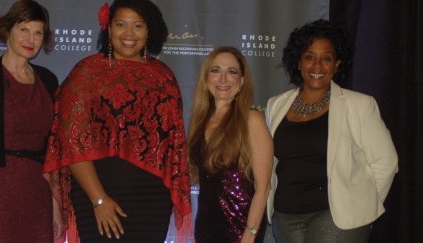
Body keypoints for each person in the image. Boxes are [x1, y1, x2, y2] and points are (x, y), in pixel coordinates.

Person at [43, 0, 192, 242]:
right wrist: (99, 199)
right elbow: (70, 141)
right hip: (99, 197)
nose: (129, 34)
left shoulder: (164, 77)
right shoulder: (87, 72)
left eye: (138, 25)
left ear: (149, 30)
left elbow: (172, 146)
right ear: (108, 28)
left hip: (152, 201)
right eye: (121, 24)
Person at [265, 19, 398, 243]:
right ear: (298, 62)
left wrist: (363, 205)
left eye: (326, 58)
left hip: (336, 217)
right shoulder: (275, 105)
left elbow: (386, 162)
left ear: (337, 64)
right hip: (285, 215)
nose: (317, 66)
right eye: (309, 57)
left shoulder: (359, 105)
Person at [0, 0, 62, 242]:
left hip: (38, 193)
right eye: (24, 29)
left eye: (38, 32)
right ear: (8, 30)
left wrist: (57, 208)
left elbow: (53, 152)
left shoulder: (48, 81)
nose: (31, 39)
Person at [187, 46, 273, 243]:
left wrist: (250, 235)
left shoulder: (252, 119)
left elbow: (263, 186)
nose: (223, 79)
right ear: (206, 78)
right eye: (215, 71)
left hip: (240, 227)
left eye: (231, 72)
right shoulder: (201, 122)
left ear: (241, 81)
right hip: (206, 226)